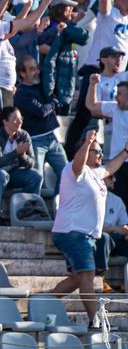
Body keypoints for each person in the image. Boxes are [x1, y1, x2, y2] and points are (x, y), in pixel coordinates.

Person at [48, 128, 128, 331]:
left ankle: (42, 301)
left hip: (86, 235)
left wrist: (126, 152)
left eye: (100, 151)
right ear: (84, 152)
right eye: (96, 150)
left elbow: (110, 167)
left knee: (78, 277)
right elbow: (77, 163)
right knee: (87, 275)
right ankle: (96, 322)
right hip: (73, 232)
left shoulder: (96, 173)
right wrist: (87, 142)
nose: (100, 154)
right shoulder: (74, 170)